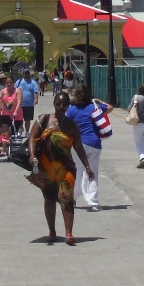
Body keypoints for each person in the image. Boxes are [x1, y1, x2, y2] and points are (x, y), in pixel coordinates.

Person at [28, 91, 95, 245]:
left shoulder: (71, 126)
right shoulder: (43, 120)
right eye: (58, 104)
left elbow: (78, 146)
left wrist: (87, 166)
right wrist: (32, 155)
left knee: (66, 198)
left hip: (66, 168)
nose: (61, 107)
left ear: (68, 106)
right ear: (54, 104)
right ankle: (52, 230)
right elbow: (32, 137)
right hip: (47, 168)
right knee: (49, 199)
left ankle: (69, 233)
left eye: (65, 104)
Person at [65, 84, 109, 211]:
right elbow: (110, 108)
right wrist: (98, 101)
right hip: (94, 143)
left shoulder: (72, 109)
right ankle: (93, 202)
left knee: (76, 172)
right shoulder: (94, 107)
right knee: (92, 172)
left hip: (78, 145)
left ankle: (72, 198)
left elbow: (65, 124)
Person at [15, 69, 40, 134]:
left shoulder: (33, 82)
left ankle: (27, 131)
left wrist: (36, 99)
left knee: (27, 119)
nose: (27, 74)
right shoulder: (19, 81)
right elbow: (14, 90)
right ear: (23, 74)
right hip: (20, 104)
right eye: (25, 73)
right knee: (19, 118)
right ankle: (20, 128)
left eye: (28, 73)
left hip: (29, 104)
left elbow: (36, 91)